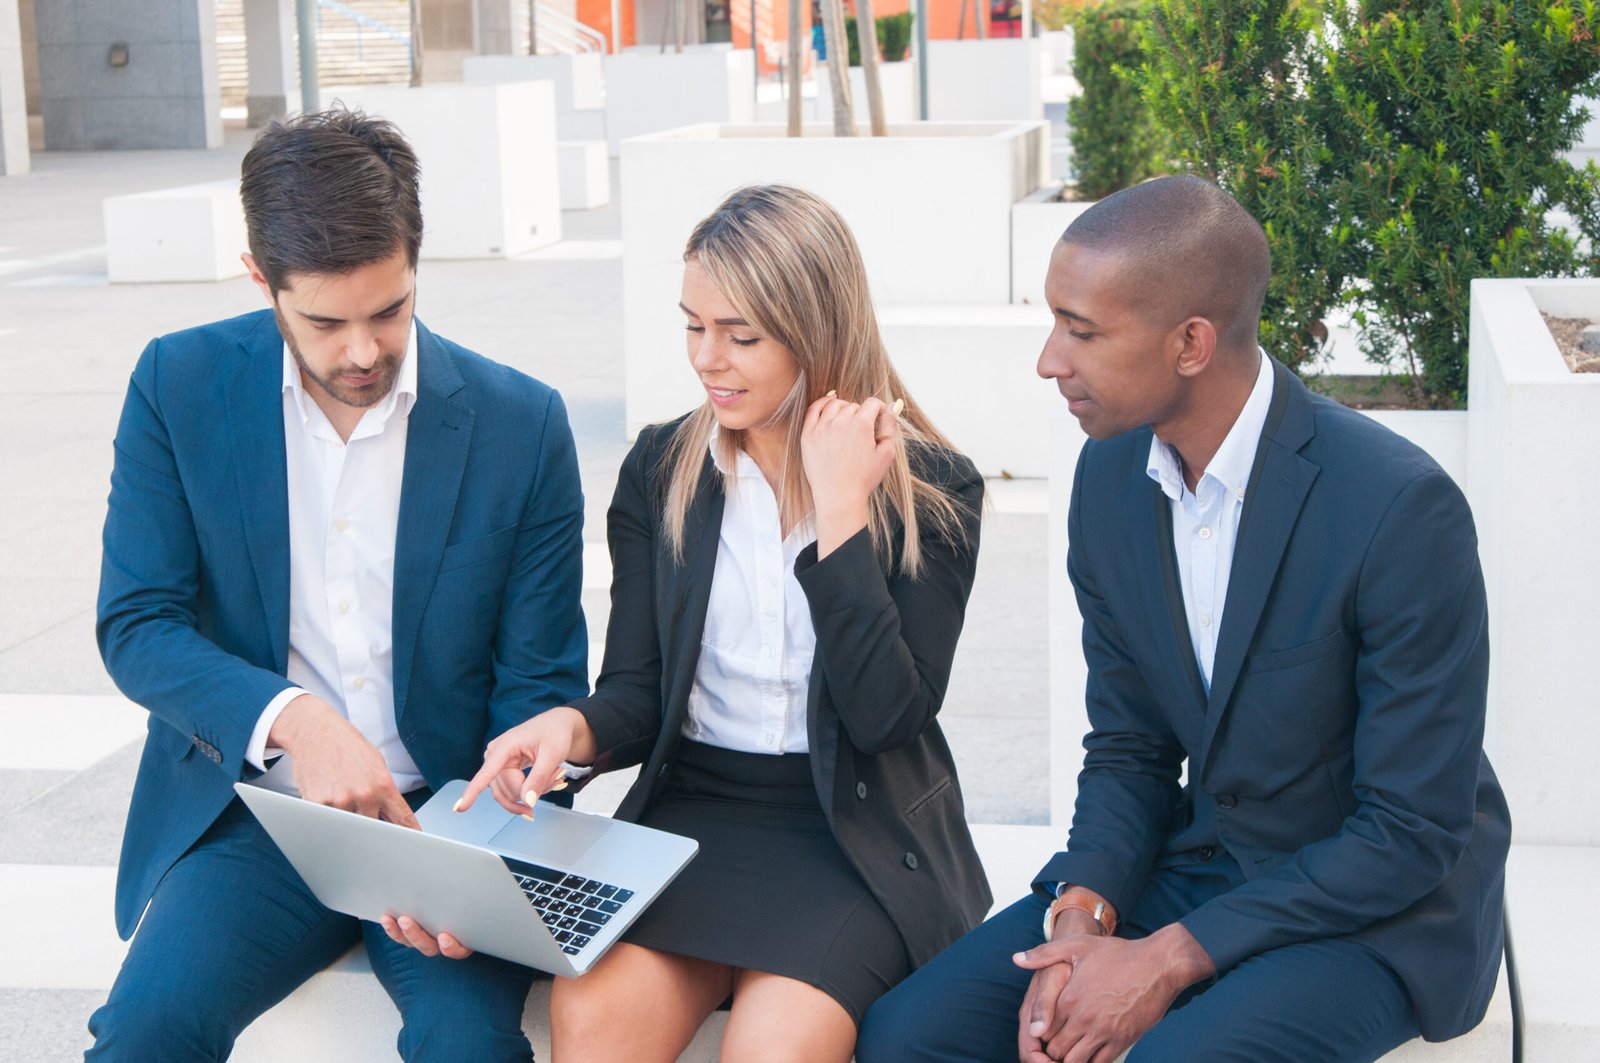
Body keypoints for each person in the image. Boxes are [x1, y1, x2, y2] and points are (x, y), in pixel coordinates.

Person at [856, 175, 1511, 1063]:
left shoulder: (1398, 508)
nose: (1050, 360)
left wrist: (1164, 960)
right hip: (1203, 863)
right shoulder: (1112, 477)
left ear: (1192, 342)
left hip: (1378, 909)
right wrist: (1082, 917)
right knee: (910, 1037)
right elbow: (1131, 746)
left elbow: (1411, 830)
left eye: (1081, 330)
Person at [443, 184, 992, 1062]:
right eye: (693, 326)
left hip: (849, 832)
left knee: (773, 1049)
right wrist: (570, 727)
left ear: (817, 332)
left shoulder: (933, 490)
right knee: (591, 1021)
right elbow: (637, 689)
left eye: (741, 335)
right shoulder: (662, 467)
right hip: (694, 818)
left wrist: (842, 514)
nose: (708, 359)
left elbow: (888, 715)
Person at [87, 108, 588, 1062]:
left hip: (452, 828)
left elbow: (541, 683)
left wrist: (501, 836)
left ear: (415, 265)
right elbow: (137, 623)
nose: (361, 351)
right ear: (258, 280)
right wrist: (295, 720)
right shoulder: (178, 384)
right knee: (144, 1035)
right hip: (261, 820)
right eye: (323, 321)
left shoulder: (522, 425)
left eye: (388, 311)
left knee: (470, 1047)